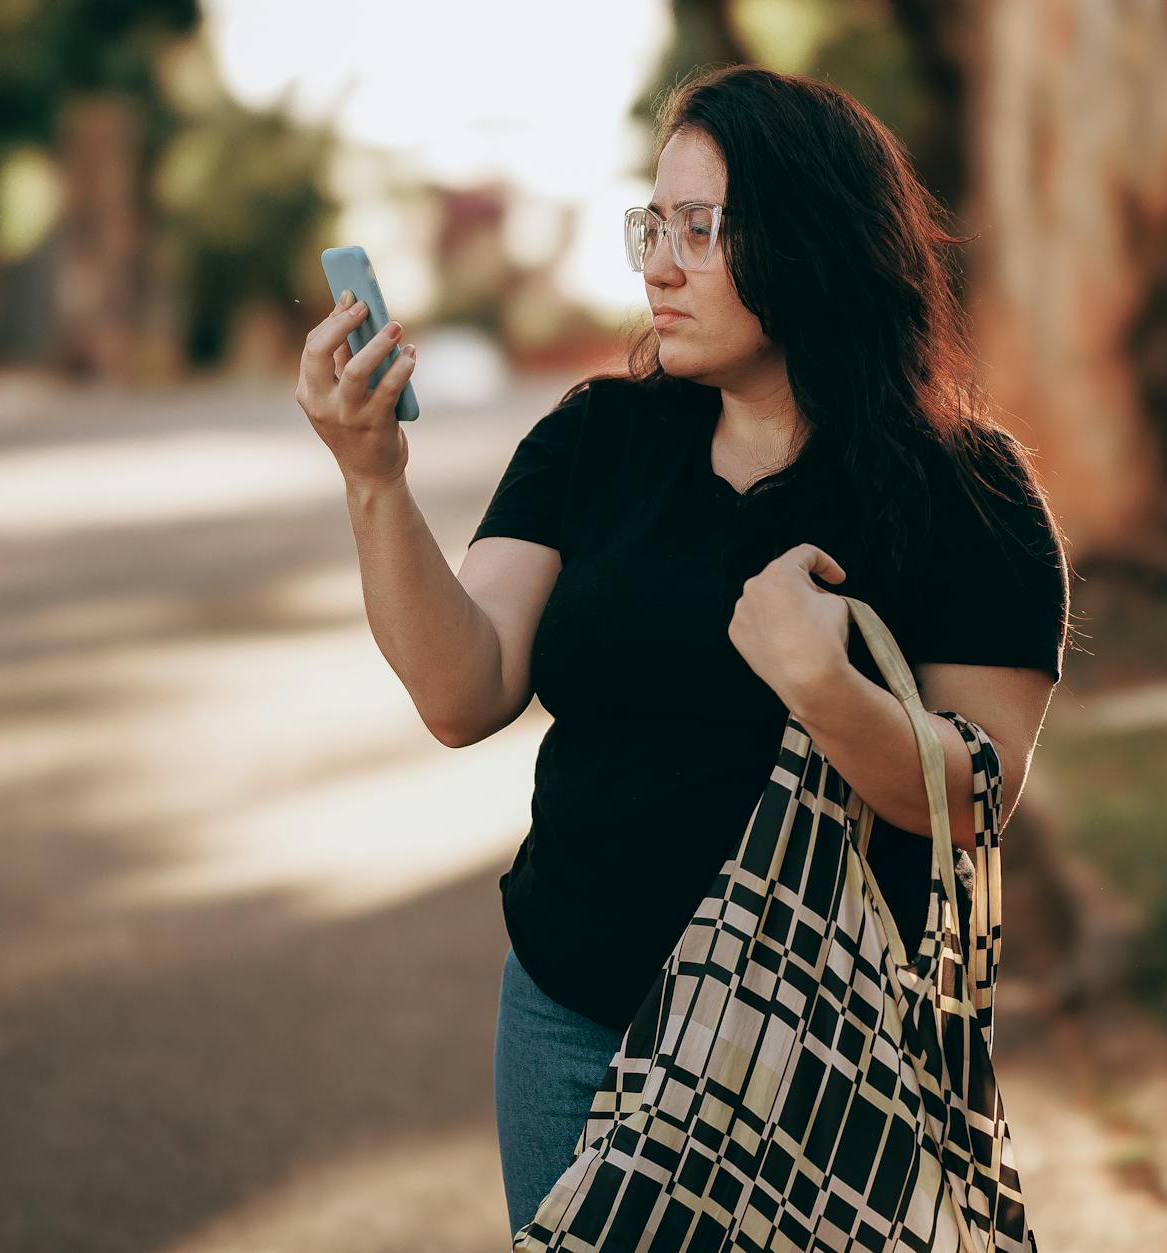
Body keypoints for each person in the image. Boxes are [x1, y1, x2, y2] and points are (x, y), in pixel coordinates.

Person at [294, 64, 1072, 1243]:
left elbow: (973, 798)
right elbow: (462, 690)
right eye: (651, 225)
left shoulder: (970, 494)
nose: (658, 263)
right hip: (573, 1020)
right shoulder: (595, 439)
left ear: (810, 237)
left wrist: (822, 684)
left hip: (821, 1050)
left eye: (700, 230)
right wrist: (371, 480)